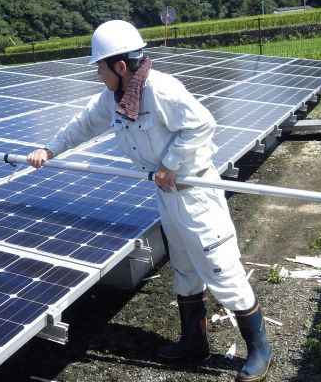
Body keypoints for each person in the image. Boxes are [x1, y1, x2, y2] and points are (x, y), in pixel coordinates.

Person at [27, 20, 272, 381]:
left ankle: (260, 351)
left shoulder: (160, 89)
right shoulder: (115, 98)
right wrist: (49, 148)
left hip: (196, 195)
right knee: (185, 269)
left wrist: (171, 163)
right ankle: (193, 341)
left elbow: (202, 124)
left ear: (120, 66)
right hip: (168, 196)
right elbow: (83, 124)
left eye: (99, 66)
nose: (97, 73)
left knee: (221, 270)